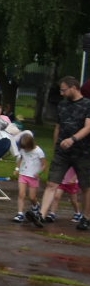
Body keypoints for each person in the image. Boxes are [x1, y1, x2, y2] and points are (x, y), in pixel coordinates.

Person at [30, 76, 90, 229]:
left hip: (82, 152)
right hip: (62, 152)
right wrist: (57, 144)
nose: (62, 93)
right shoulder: (62, 105)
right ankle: (41, 215)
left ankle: (86, 217)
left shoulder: (87, 104)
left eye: (64, 90)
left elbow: (88, 127)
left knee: (85, 186)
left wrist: (73, 139)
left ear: (73, 87)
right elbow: (58, 126)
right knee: (52, 183)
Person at [13, 130, 46, 224]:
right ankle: (20, 213)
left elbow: (44, 164)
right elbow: (20, 159)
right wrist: (17, 169)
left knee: (32, 197)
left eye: (27, 148)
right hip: (23, 174)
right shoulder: (23, 150)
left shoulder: (38, 151)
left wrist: (39, 172)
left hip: (33, 176)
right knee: (21, 194)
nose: (25, 150)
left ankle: (35, 206)